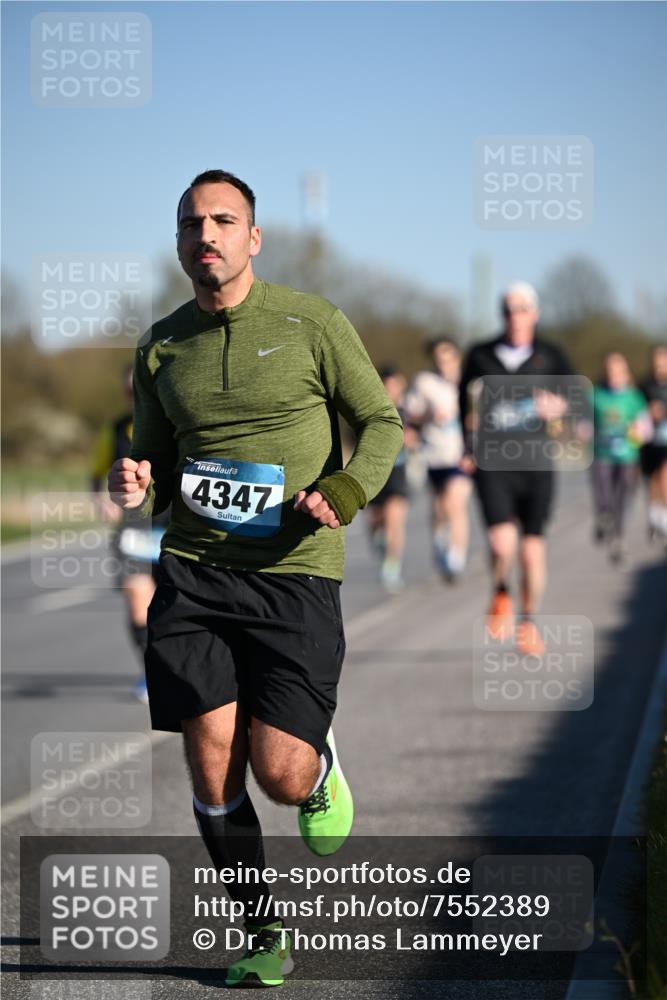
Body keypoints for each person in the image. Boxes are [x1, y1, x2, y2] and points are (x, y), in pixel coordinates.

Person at [108, 170, 403, 987]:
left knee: (279, 775)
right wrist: (137, 481)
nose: (205, 235)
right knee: (209, 768)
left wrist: (343, 490)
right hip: (196, 574)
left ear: (252, 238)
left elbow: (381, 422)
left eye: (222, 220)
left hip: (294, 570)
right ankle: (263, 930)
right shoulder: (162, 343)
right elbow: (157, 457)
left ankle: (316, 762)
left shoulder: (311, 323)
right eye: (190, 224)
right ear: (178, 243)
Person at [459, 282, 576, 656]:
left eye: (523, 308)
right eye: (509, 308)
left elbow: (576, 402)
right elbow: (465, 404)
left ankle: (528, 621)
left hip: (537, 462)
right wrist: (467, 446)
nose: (516, 315)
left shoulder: (551, 356)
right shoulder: (480, 355)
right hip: (494, 462)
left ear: (535, 313)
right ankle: (500, 593)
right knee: (500, 541)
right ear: (502, 314)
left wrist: (558, 409)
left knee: (530, 549)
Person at [90, 366, 166, 703]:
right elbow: (97, 474)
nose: (135, 399)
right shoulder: (117, 429)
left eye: (140, 392)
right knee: (138, 601)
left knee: (174, 605)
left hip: (173, 526)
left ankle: (180, 668)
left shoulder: (172, 422)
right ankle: (152, 673)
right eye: (130, 393)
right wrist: (103, 500)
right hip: (134, 529)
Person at [405, 337, 472, 582]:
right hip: (433, 454)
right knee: (440, 507)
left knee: (456, 502)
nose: (444, 364)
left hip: (461, 454)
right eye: (439, 360)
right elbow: (411, 414)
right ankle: (439, 541)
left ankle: (456, 556)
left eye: (449, 359)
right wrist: (426, 416)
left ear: (458, 358)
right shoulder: (424, 383)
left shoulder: (470, 382)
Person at [590, 353, 651, 563]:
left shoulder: (634, 397)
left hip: (627, 456)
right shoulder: (596, 394)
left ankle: (619, 539)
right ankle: (604, 520)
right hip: (602, 454)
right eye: (609, 370)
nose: (613, 374)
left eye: (617, 370)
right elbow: (584, 421)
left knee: (623, 498)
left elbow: (646, 428)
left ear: (625, 372)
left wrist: (634, 433)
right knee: (604, 494)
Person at [365, 366, 414, 592]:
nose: (390, 390)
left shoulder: (408, 410)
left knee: (395, 519)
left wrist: (412, 438)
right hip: (374, 471)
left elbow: (418, 434)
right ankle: (380, 541)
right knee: (376, 521)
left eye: (394, 385)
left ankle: (392, 567)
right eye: (386, 385)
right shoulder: (369, 409)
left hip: (398, 472)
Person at [639, 344, 667, 542]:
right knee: (653, 482)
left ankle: (663, 521)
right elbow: (635, 411)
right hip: (649, 441)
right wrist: (649, 412)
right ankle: (655, 517)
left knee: (665, 475)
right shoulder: (644, 386)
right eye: (657, 359)